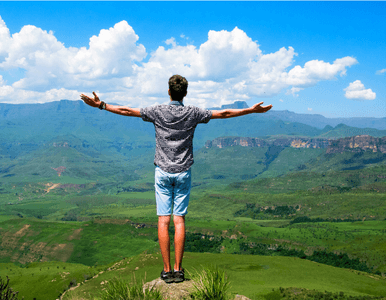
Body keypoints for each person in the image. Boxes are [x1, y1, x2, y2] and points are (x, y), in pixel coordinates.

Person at [80, 75, 272, 283]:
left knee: (163, 221)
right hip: (183, 172)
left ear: (169, 91)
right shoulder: (193, 112)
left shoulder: (157, 111)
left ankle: (166, 270)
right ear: (185, 93)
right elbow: (224, 113)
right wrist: (251, 110)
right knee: (179, 220)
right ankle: (179, 271)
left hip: (162, 171)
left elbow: (127, 111)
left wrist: (101, 105)